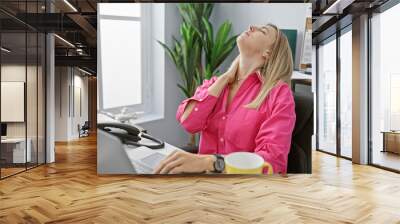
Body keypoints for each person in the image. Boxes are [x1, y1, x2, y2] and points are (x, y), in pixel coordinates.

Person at [154, 24, 296, 175]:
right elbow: (188, 122)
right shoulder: (215, 84)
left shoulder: (278, 94)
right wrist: (224, 79)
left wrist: (211, 163)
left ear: (268, 52)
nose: (252, 26)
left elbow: (271, 162)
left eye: (263, 31)